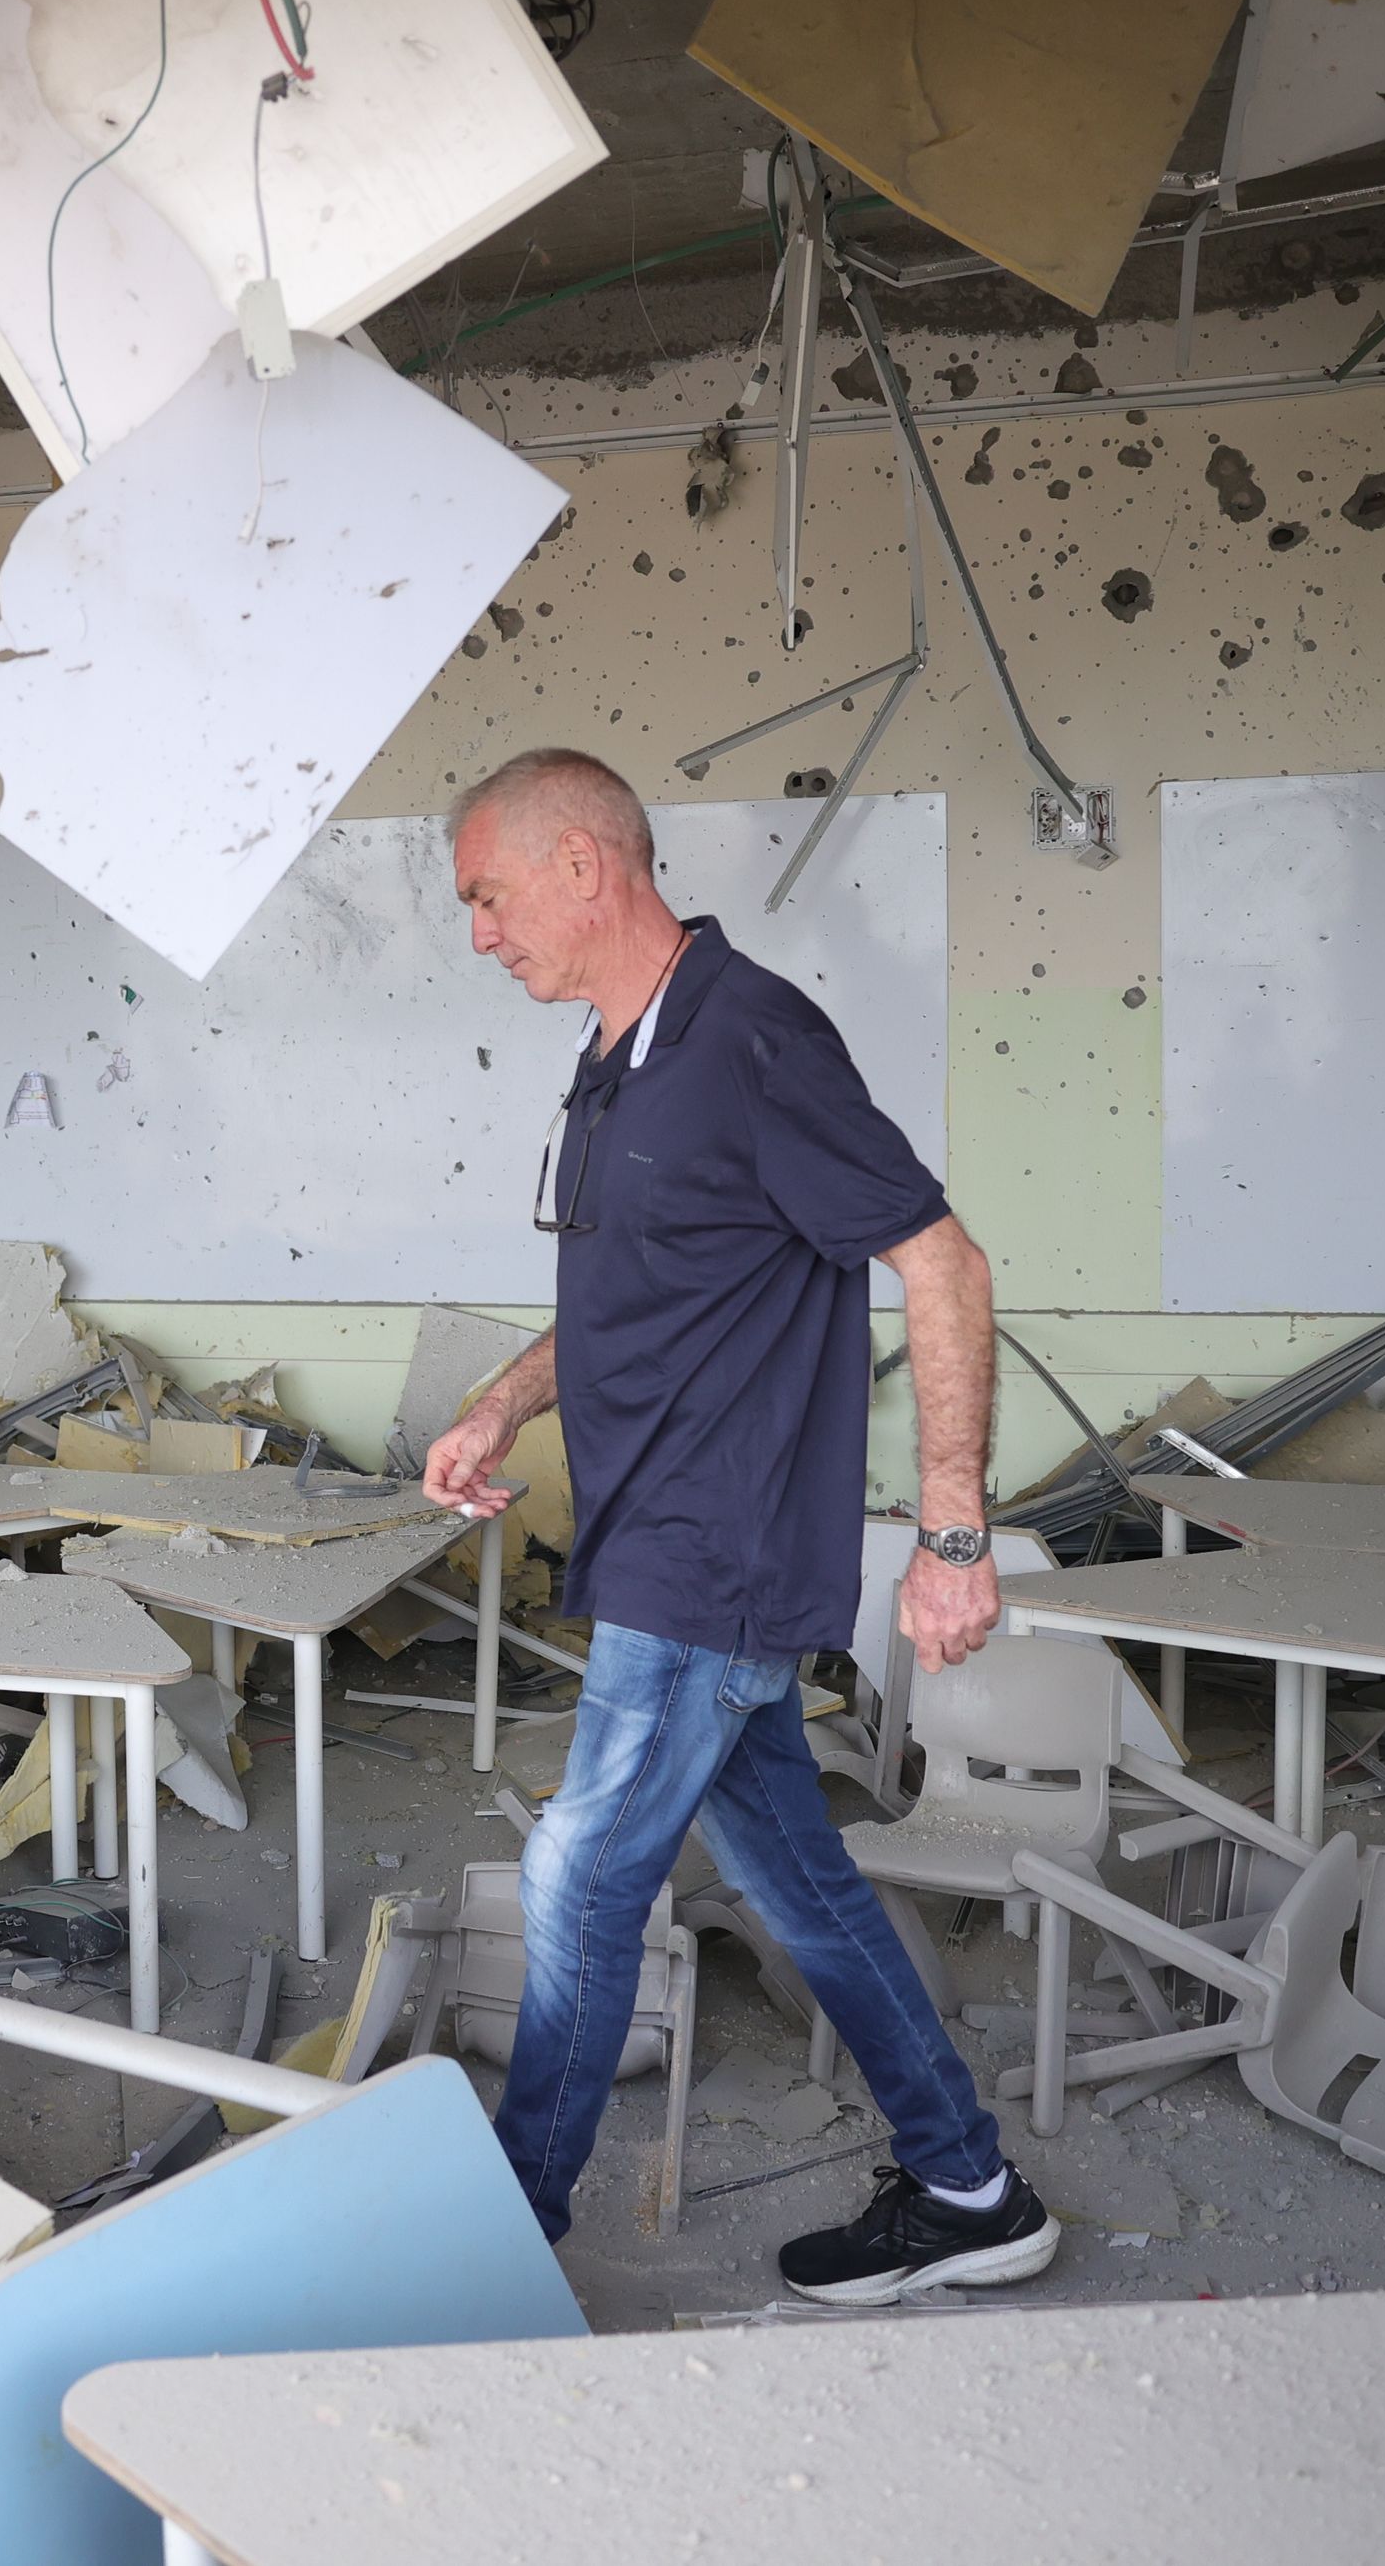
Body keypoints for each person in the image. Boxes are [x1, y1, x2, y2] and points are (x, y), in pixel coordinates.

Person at [421, 745, 1056, 2304]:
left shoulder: (752, 1039)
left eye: (490, 896)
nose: (480, 933)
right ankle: (971, 2186)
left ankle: (497, 2235)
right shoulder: (615, 1058)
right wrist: (503, 1403)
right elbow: (634, 1296)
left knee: (580, 1873)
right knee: (799, 1884)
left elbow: (945, 1262)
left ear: (583, 864)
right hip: (657, 1539)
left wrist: (953, 1531)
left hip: (713, 1553)